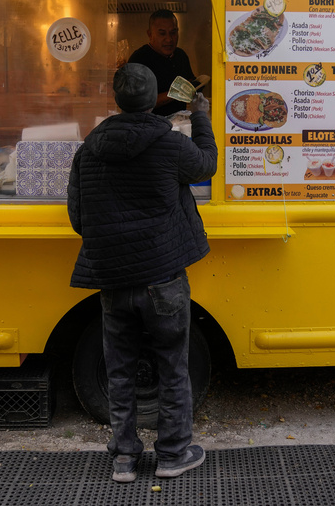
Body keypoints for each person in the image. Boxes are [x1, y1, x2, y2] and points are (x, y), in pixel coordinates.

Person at [67, 63, 217, 484]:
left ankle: (124, 458)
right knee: (173, 366)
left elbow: (78, 218)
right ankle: (172, 454)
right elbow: (206, 164)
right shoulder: (168, 145)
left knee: (119, 371)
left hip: (113, 281)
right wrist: (201, 115)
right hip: (164, 277)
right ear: (154, 99)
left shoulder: (88, 149)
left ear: (116, 100)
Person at [128, 9, 198, 117]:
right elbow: (137, 102)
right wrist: (176, 93)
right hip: (148, 127)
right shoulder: (139, 59)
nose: (169, 39)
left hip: (178, 125)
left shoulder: (181, 55)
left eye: (173, 33)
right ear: (150, 34)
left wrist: (196, 85)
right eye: (162, 33)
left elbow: (189, 80)